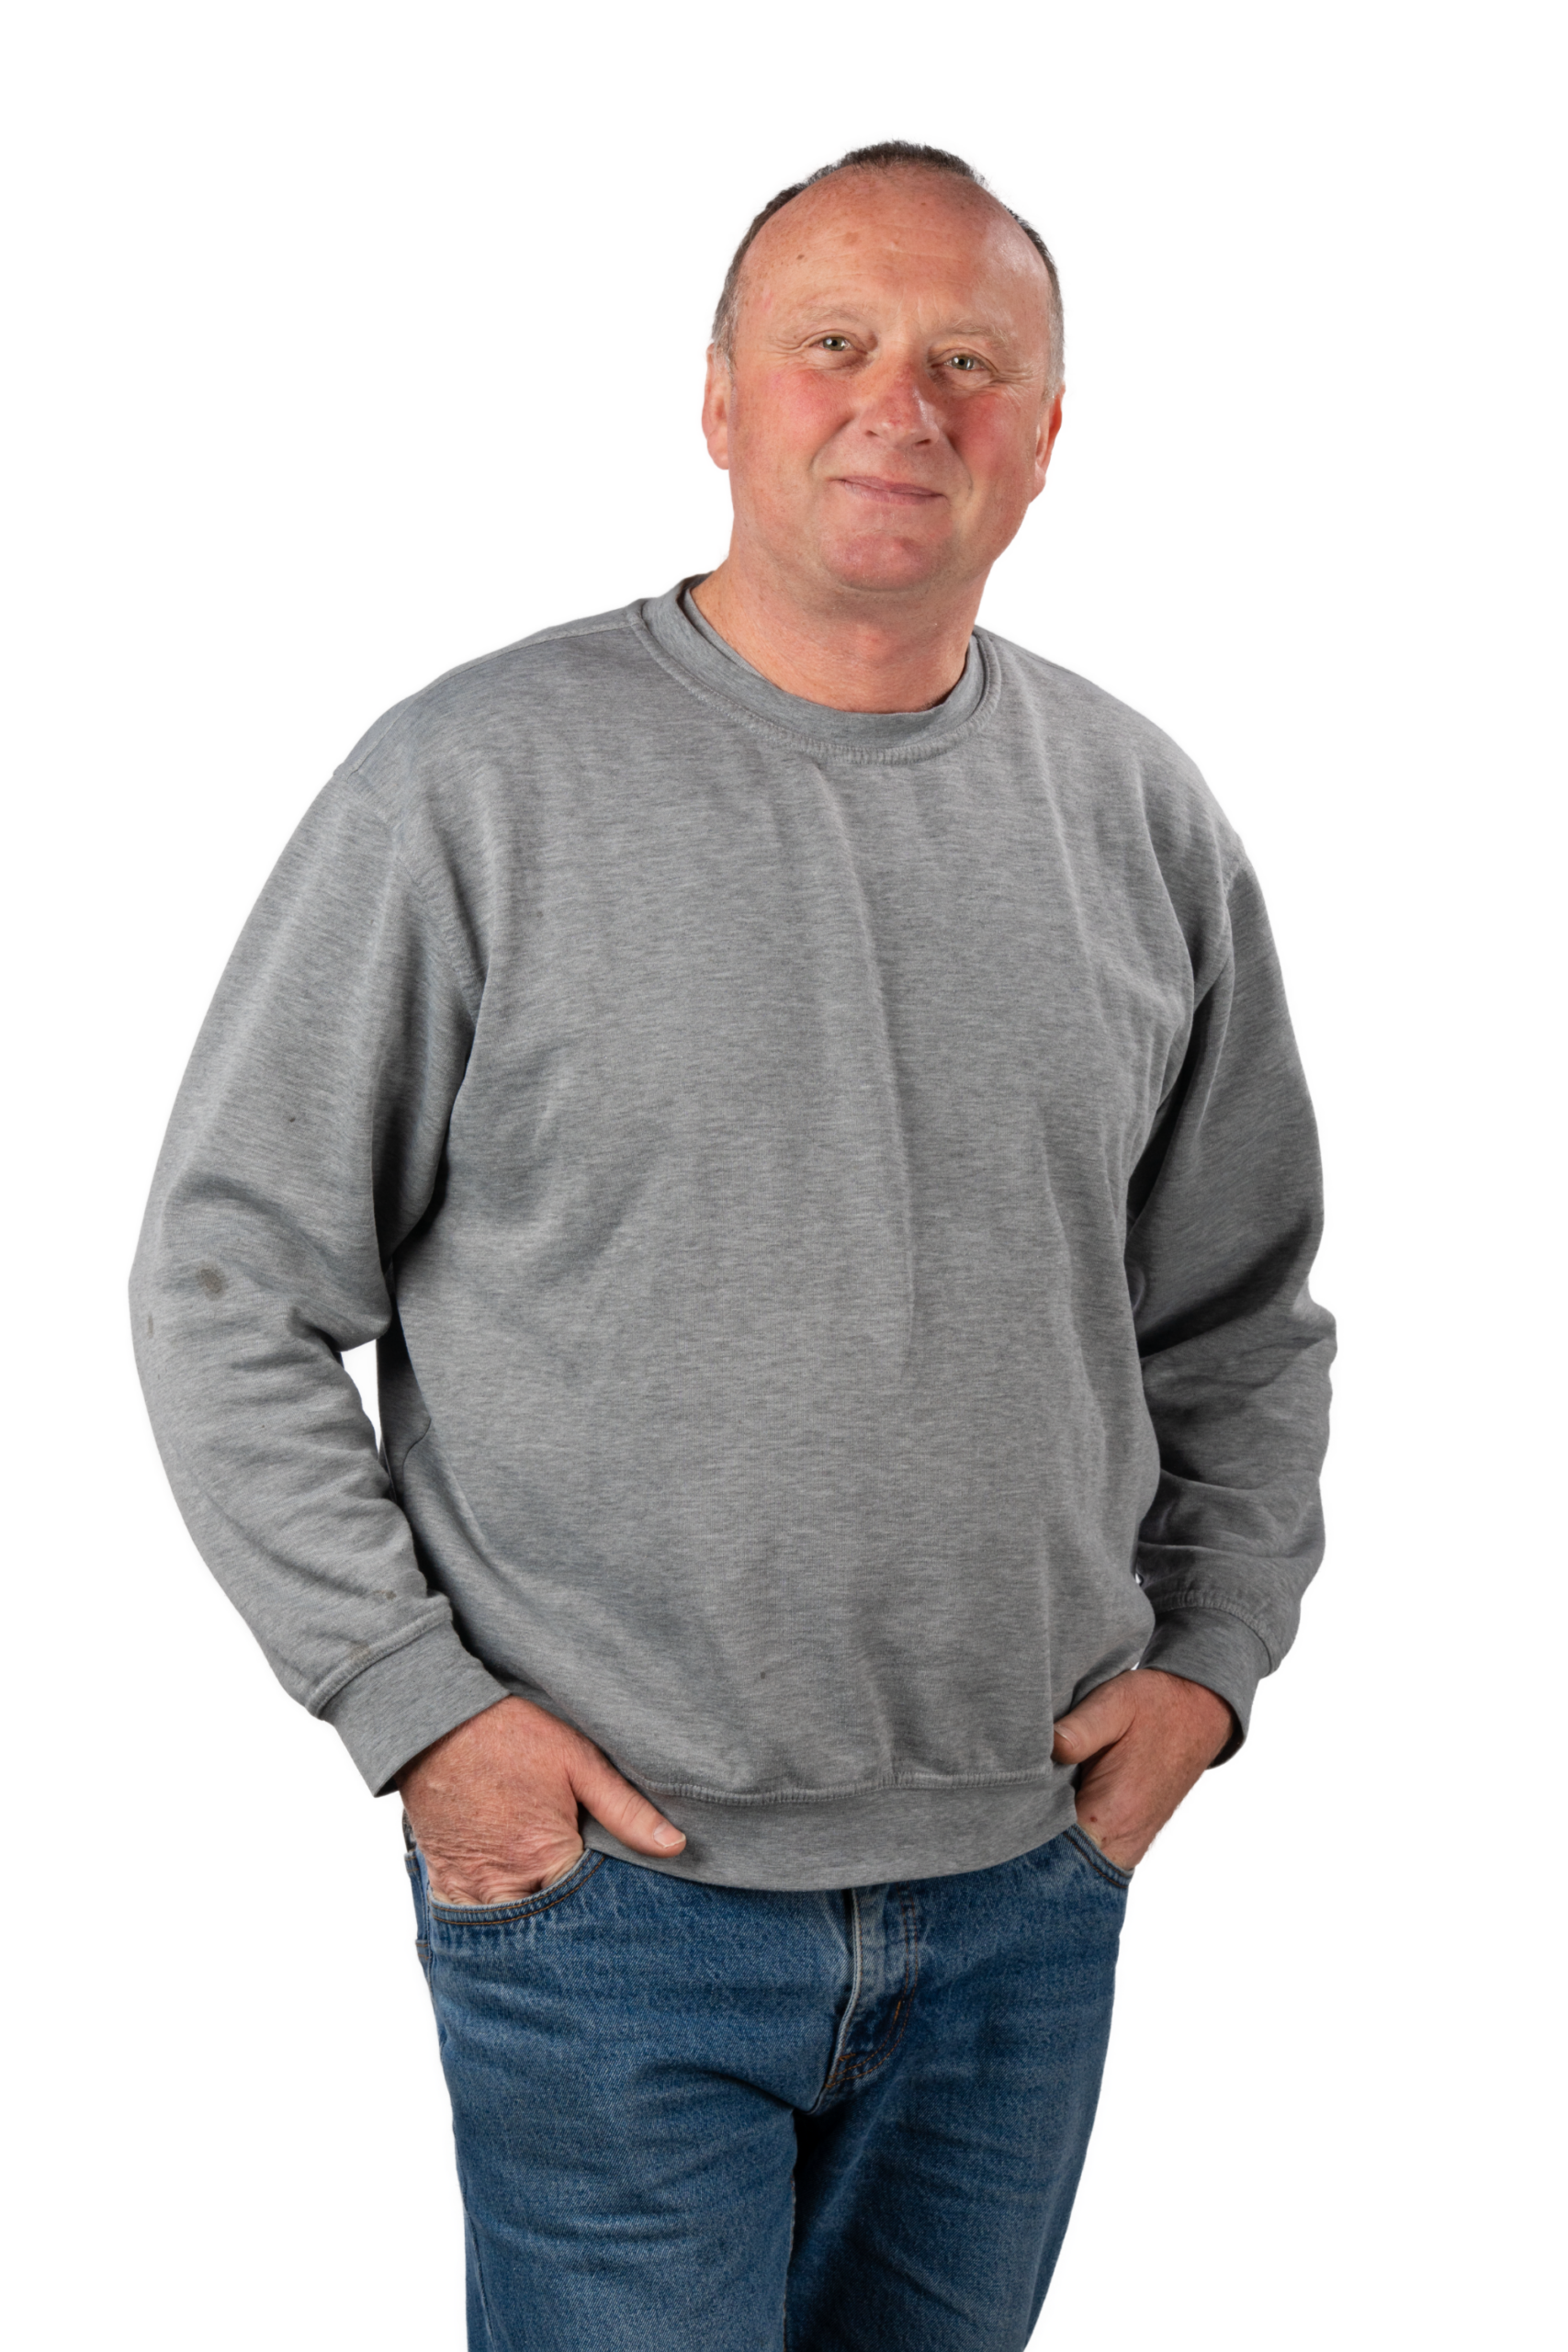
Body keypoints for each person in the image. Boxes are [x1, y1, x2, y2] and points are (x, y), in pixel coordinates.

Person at [123, 130, 1341, 2350]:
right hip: (610, 1893)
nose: (900, 407)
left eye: (967, 360)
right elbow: (226, 1281)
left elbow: (1246, 1311)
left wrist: (1213, 1663)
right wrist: (416, 1712)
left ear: (1048, 429)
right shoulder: (464, 780)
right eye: (834, 343)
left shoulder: (1143, 807)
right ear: (712, 395)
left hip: (1026, 1884)